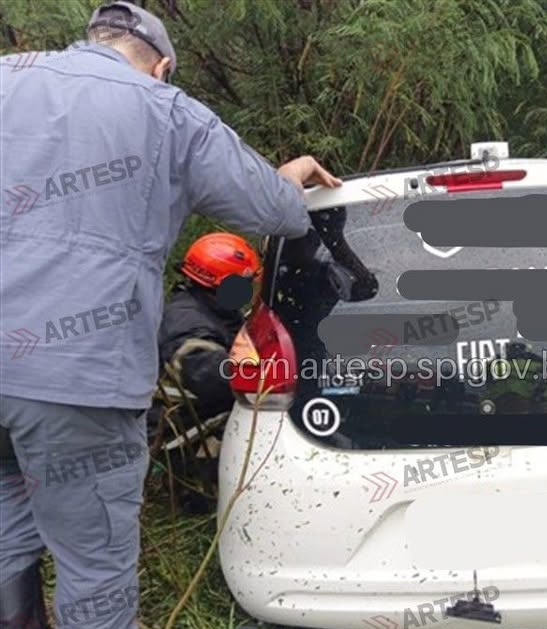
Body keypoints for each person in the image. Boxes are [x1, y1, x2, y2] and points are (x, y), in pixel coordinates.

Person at [0, 2, 340, 628]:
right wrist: (284, 177)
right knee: (93, 567)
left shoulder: (8, 77)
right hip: (75, 377)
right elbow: (279, 214)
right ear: (161, 67)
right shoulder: (168, 111)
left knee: (5, 526)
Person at [151, 233, 260, 513]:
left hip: (193, 420)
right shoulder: (187, 326)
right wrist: (278, 373)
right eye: (244, 283)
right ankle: (196, 496)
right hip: (177, 442)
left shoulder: (212, 310)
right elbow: (219, 378)